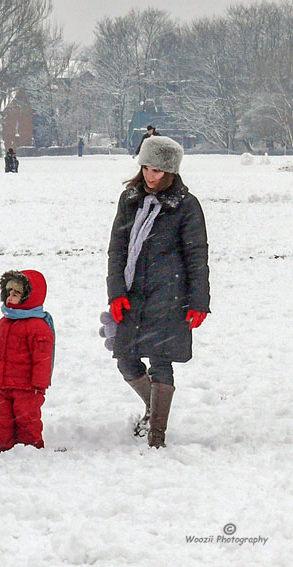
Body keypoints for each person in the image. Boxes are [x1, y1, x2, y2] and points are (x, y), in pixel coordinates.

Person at [106, 136, 210, 448]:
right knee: (125, 358)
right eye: (147, 168)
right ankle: (153, 407)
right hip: (134, 294)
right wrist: (116, 293)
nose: (152, 176)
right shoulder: (130, 200)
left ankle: (157, 435)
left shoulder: (186, 206)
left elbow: (197, 256)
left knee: (161, 360)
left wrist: (199, 301)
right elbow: (117, 250)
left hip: (171, 296)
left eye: (159, 171)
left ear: (172, 172)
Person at [0, 270, 55, 451]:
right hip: (2, 384)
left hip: (27, 387)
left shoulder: (38, 326)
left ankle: (30, 446)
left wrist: (39, 384)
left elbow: (42, 358)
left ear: (29, 297)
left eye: (16, 294)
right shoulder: (4, 323)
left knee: (26, 418)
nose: (10, 298)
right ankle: (2, 444)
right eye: (9, 293)